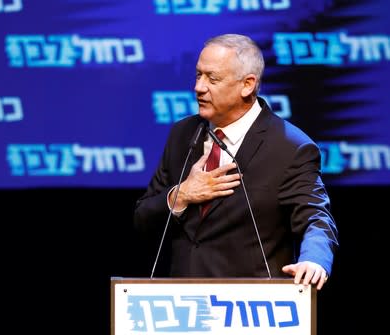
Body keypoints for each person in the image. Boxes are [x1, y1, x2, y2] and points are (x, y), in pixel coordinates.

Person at [133, 33, 338, 290]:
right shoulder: (182, 134)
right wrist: (181, 195)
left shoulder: (290, 147)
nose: (199, 87)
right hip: (183, 308)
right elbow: (143, 218)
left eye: (212, 78)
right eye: (198, 75)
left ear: (247, 84)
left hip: (250, 309)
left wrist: (314, 260)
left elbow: (315, 218)